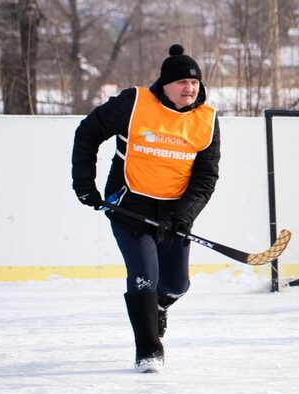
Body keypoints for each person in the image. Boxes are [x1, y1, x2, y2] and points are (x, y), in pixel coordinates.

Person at [71, 44, 220, 373]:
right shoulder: (135, 103)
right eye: (181, 82)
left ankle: (159, 307)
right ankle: (149, 349)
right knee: (143, 279)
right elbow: (88, 132)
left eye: (194, 82)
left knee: (176, 285)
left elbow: (206, 178)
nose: (189, 88)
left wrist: (184, 216)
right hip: (130, 208)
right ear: (165, 85)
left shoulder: (206, 120)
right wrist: (84, 184)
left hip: (174, 214)